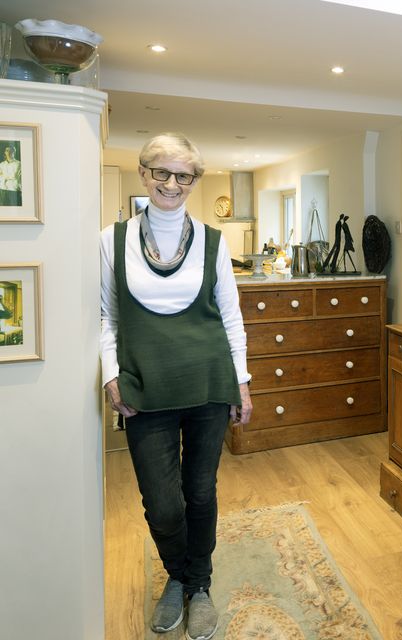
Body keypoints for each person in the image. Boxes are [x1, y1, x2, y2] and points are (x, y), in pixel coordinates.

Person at [99, 133, 252, 640]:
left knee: (200, 492)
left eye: (183, 175)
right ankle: (176, 574)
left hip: (208, 383)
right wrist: (110, 373)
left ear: (194, 181)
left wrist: (242, 384)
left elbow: (231, 317)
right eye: (160, 172)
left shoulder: (212, 240)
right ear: (143, 173)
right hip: (144, 387)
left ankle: (198, 585)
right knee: (161, 502)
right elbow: (105, 317)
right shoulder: (111, 240)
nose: (171, 183)